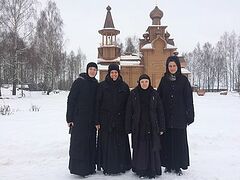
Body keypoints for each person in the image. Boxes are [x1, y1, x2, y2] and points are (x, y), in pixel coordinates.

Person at [157, 56, 194, 175]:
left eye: (174, 66)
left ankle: (178, 165)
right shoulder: (164, 80)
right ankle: (168, 164)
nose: (172, 68)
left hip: (179, 117)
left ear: (178, 66)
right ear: (167, 67)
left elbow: (188, 99)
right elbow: (159, 98)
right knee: (167, 141)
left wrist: (190, 115)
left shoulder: (183, 81)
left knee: (179, 142)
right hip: (167, 117)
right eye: (170, 66)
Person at [125, 74, 165, 179]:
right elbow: (129, 111)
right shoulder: (133, 93)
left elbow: (160, 111)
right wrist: (128, 126)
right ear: (139, 82)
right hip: (138, 126)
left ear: (149, 82)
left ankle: (152, 169)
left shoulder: (154, 94)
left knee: (152, 147)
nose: (144, 84)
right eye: (142, 82)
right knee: (140, 148)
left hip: (152, 125)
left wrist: (161, 127)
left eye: (146, 81)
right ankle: (141, 169)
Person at [96, 63, 131, 175]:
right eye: (112, 72)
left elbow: (128, 106)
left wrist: (128, 121)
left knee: (120, 143)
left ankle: (122, 165)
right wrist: (97, 121)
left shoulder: (124, 86)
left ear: (118, 73)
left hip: (120, 121)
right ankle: (107, 166)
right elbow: (97, 104)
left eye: (116, 72)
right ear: (109, 73)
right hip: (106, 120)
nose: (114, 74)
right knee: (108, 144)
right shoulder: (102, 86)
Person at [66, 62, 98, 177]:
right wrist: (69, 118)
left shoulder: (95, 83)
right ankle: (78, 169)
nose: (92, 71)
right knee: (79, 144)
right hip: (79, 119)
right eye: (91, 69)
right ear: (87, 70)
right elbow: (71, 100)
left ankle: (89, 168)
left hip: (91, 120)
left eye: (94, 69)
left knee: (89, 143)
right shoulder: (79, 82)